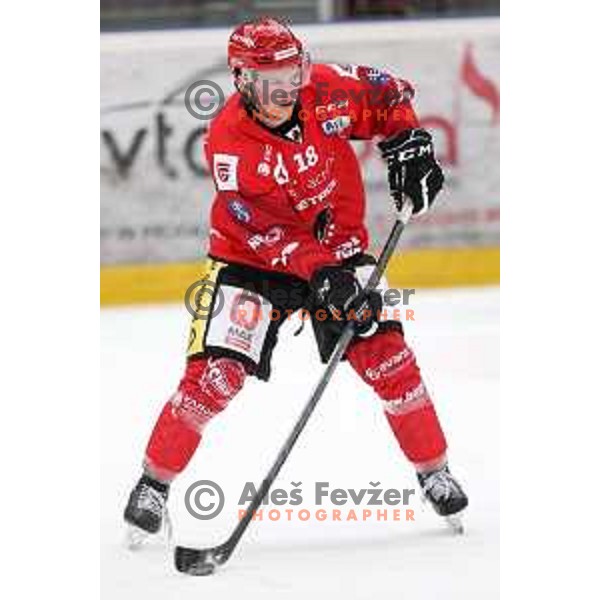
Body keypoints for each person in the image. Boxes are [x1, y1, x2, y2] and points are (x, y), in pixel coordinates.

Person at [124, 16, 468, 540]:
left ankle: (435, 472)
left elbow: (389, 91)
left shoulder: (326, 90)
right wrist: (317, 269)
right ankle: (153, 485)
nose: (287, 89)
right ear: (241, 80)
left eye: (293, 74)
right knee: (215, 379)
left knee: (389, 360)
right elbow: (252, 223)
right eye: (271, 81)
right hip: (251, 262)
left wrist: (409, 139)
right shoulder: (228, 140)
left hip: (338, 252)